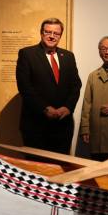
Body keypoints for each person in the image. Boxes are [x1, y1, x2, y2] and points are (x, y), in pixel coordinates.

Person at [16, 18, 82, 154]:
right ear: (41, 33)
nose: (52, 36)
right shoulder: (27, 54)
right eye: (48, 32)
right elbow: (25, 87)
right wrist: (44, 108)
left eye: (56, 33)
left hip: (63, 126)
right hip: (36, 126)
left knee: (61, 170)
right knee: (37, 170)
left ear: (60, 35)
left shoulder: (68, 56)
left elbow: (76, 85)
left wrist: (68, 107)